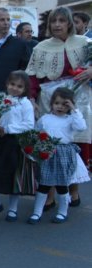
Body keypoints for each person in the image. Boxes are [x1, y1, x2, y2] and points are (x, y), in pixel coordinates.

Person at [25, 6, 90, 208]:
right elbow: (33, 77)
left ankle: (74, 190)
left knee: (75, 146)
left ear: (69, 23)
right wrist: (32, 99)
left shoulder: (85, 43)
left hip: (79, 100)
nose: (57, 25)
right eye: (54, 21)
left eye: (62, 21)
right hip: (49, 101)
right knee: (51, 147)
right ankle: (51, 194)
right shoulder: (41, 47)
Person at [0, 71, 35, 221]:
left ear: (25, 88)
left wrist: (8, 129)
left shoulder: (25, 103)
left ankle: (13, 209)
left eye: (19, 86)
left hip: (13, 143)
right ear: (7, 84)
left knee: (11, 176)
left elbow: (29, 124)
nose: (15, 88)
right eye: (12, 84)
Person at [27, 88, 88, 224]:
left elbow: (82, 127)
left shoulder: (71, 119)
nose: (60, 107)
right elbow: (37, 132)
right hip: (47, 153)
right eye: (57, 103)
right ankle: (37, 212)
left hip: (64, 154)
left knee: (62, 185)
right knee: (43, 184)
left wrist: (74, 110)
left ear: (69, 105)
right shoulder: (45, 118)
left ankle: (62, 212)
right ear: (52, 104)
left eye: (64, 104)